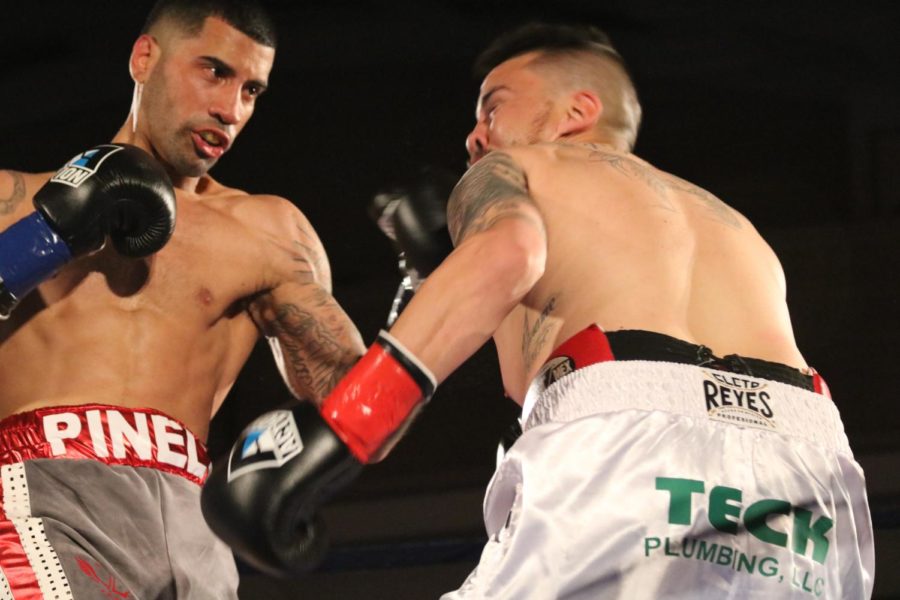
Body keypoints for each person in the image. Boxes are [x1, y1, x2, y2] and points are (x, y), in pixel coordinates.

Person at [202, 21, 874, 599]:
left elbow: (509, 255)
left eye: (491, 109)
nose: (473, 137)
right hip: (812, 473)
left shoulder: (523, 167)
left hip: (628, 440)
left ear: (576, 111)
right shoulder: (734, 225)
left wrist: (342, 430)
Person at [0, 1, 366, 598]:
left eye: (252, 90)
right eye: (214, 72)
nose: (231, 108)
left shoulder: (271, 232)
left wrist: (292, 475)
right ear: (144, 58)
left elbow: (355, 398)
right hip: (45, 496)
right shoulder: (13, 199)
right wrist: (42, 238)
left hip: (197, 522)